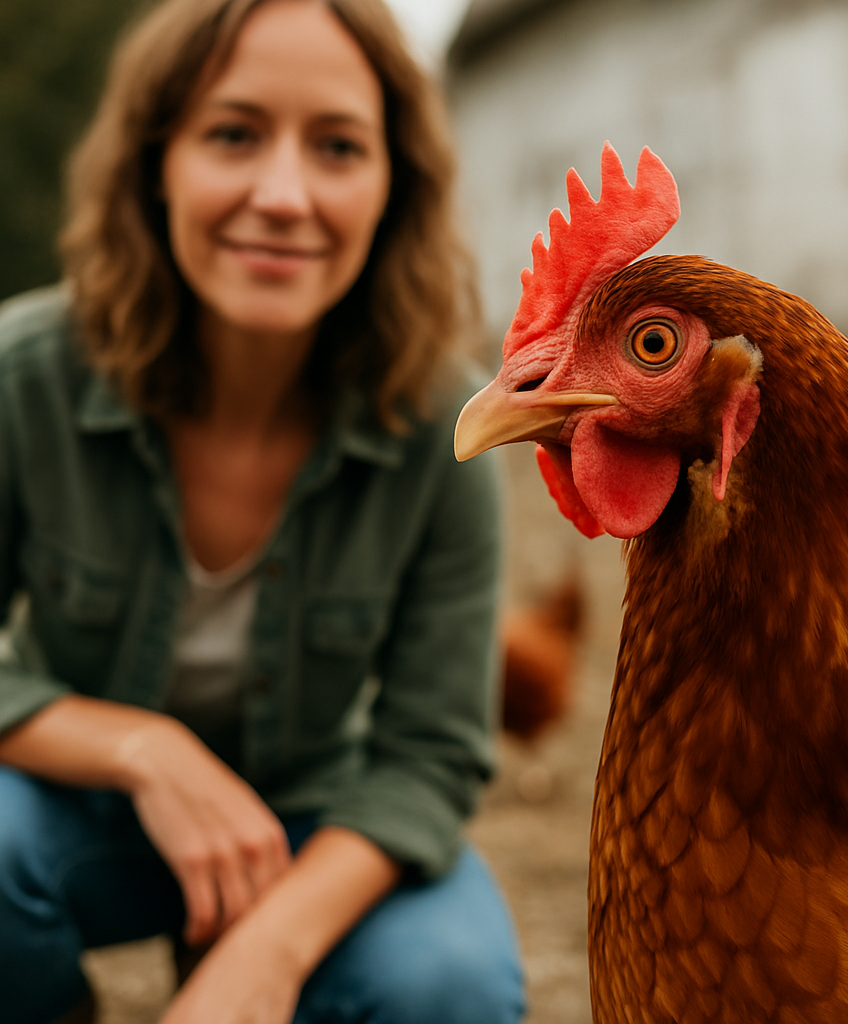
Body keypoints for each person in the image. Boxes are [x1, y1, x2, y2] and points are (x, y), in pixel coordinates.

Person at [0, 1, 525, 1022]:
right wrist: (142, 750)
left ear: (394, 187)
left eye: (337, 146)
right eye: (233, 134)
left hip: (318, 823)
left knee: (447, 986)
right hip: (74, 808)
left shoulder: (445, 432)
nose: (283, 195)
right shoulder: (23, 379)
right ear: (157, 160)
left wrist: (266, 953)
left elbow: (431, 753)